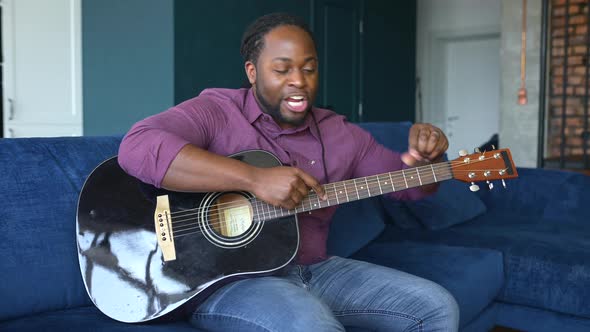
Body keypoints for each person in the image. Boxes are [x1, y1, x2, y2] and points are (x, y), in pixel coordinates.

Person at [119, 12, 459, 332]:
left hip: (316, 270)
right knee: (312, 326)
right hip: (225, 281)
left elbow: (410, 187)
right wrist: (254, 179)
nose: (299, 81)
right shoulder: (217, 111)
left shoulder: (341, 134)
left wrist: (426, 161)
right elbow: (137, 147)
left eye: (309, 69)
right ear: (252, 72)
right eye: (282, 70)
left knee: (437, 307)